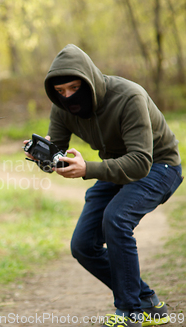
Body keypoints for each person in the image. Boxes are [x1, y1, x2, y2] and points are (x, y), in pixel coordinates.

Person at [26, 44, 183, 327]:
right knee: (83, 245)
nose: (68, 96)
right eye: (60, 92)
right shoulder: (62, 108)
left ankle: (130, 312)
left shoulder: (128, 96)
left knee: (117, 218)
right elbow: (58, 153)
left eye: (74, 87)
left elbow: (139, 163)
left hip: (160, 165)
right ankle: (147, 302)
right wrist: (43, 157)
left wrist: (89, 169)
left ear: (89, 80)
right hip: (115, 166)